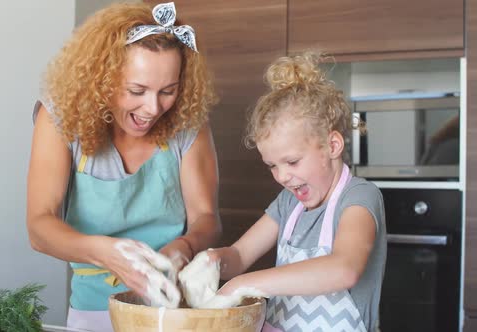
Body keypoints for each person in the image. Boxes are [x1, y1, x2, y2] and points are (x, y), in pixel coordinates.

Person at [26, 2, 221, 330]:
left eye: (168, 91)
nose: (153, 107)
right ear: (102, 78)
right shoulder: (61, 119)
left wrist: (184, 247)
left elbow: (206, 218)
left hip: (172, 309)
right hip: (92, 310)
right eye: (137, 90)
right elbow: (39, 227)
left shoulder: (188, 122)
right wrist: (104, 253)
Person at [202, 53, 387, 331]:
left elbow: (344, 269)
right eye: (272, 166)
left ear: (332, 146)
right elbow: (239, 256)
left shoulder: (359, 197)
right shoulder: (288, 204)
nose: (282, 177)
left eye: (292, 162)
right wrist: (214, 261)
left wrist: (244, 284)